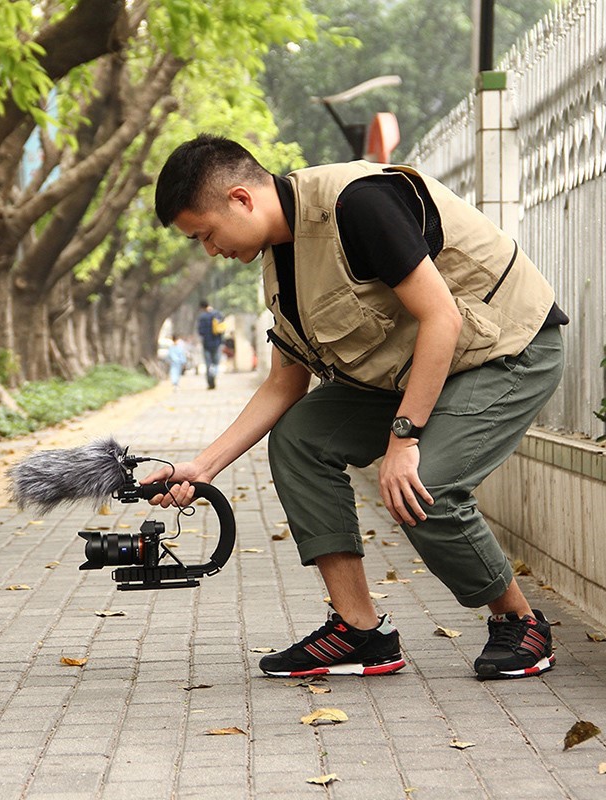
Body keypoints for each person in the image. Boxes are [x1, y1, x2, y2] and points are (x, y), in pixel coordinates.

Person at [144, 133, 568, 681]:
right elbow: (283, 384)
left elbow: (444, 318)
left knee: (422, 487)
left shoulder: (356, 203)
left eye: (205, 234)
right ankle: (360, 633)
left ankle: (521, 623)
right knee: (300, 440)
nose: (209, 250)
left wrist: (404, 440)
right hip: (416, 368)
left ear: (240, 200)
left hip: (506, 350)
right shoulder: (281, 259)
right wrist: (200, 469)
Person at [197, 299, 225, 389]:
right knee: (216, 363)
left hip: (206, 344)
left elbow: (200, 332)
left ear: (202, 307)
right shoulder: (218, 314)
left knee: (208, 364)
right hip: (217, 343)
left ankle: (210, 380)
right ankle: (214, 374)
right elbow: (222, 328)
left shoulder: (202, 317)